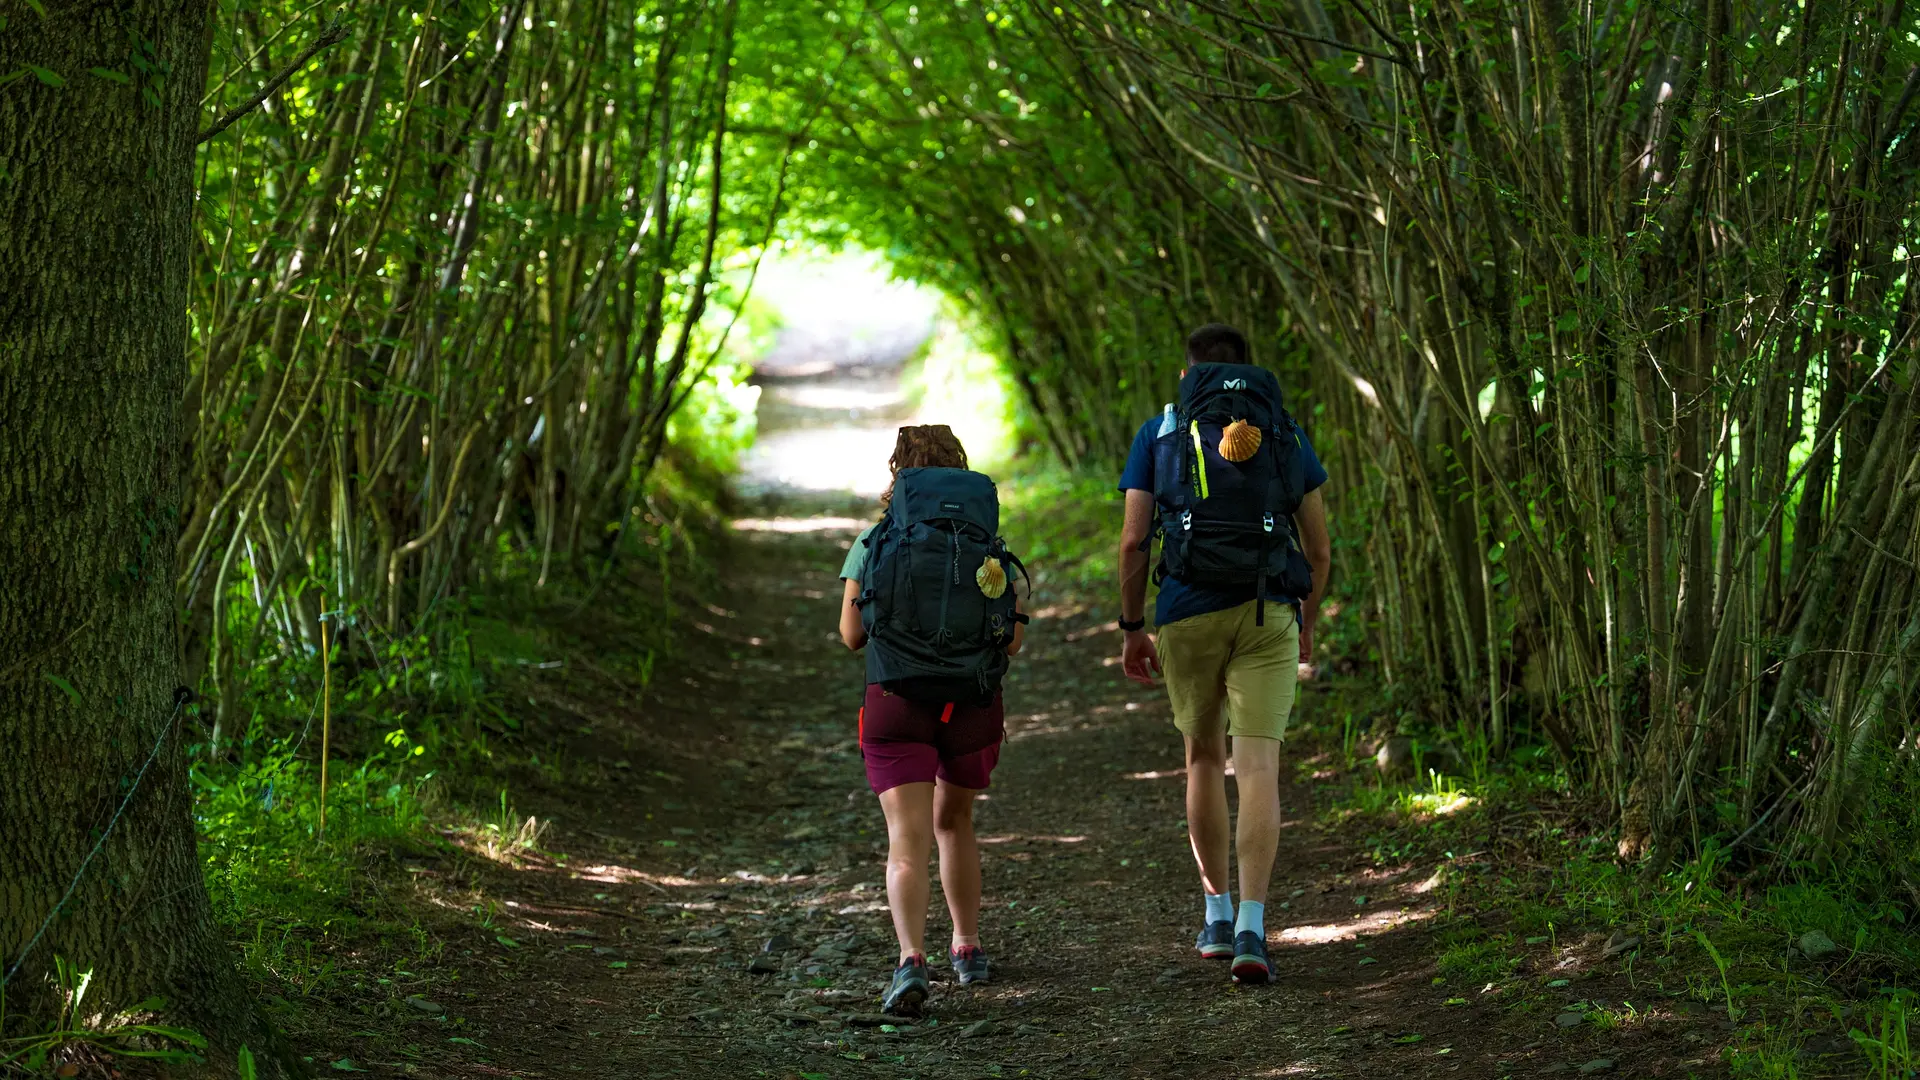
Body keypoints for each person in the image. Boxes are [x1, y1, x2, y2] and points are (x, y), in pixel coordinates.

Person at [1116, 323, 1331, 985]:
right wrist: (1306, 621)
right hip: (1269, 610)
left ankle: (1215, 915)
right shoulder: (1284, 431)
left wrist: (1132, 625)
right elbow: (1319, 550)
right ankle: (1252, 930)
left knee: (1203, 758)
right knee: (1259, 766)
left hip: (1187, 609)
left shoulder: (1161, 431)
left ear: (1189, 374)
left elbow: (1133, 542)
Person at [838, 425, 1027, 1015]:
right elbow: (1012, 639)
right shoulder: (987, 541)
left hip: (896, 700)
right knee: (956, 823)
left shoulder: (873, 540)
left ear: (899, 475)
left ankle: (911, 960)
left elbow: (851, 634)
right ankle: (967, 946)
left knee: (907, 839)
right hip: (971, 703)